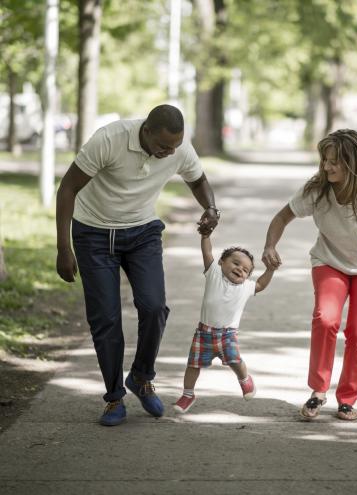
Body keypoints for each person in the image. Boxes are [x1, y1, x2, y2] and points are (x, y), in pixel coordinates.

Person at [55, 104, 220, 426]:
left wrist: (212, 208)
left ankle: (141, 377)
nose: (168, 153)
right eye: (163, 147)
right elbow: (68, 188)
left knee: (154, 306)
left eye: (173, 147)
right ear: (145, 130)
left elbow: (198, 180)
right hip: (93, 234)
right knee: (106, 318)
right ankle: (114, 397)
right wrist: (64, 247)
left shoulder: (178, 148)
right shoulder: (110, 139)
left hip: (142, 232)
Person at [262, 129, 357, 421]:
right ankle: (318, 391)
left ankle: (347, 398)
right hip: (329, 261)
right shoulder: (317, 190)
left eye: (335, 162)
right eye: (325, 160)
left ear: (353, 163)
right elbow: (282, 217)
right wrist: (270, 245)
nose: (327, 167)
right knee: (326, 318)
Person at [173, 229, 276, 414]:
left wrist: (270, 270)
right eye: (236, 263)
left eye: (245, 270)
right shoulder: (214, 273)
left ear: (247, 276)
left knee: (235, 361)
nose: (239, 269)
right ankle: (188, 394)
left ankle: (245, 379)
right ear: (221, 262)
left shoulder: (246, 287)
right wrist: (205, 236)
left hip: (227, 335)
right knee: (193, 365)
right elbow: (207, 253)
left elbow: (260, 284)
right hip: (203, 334)